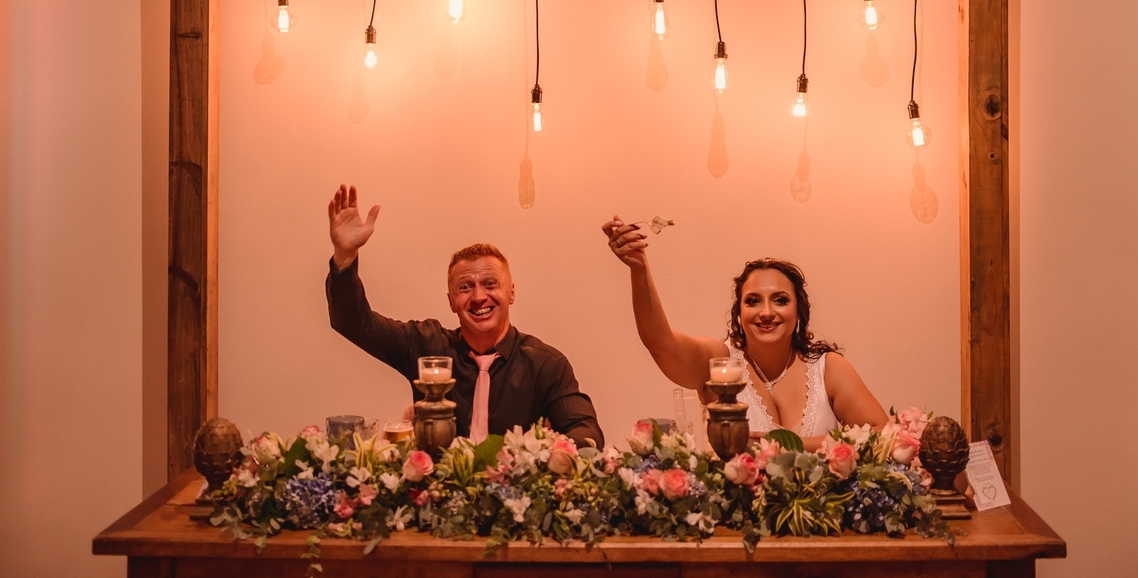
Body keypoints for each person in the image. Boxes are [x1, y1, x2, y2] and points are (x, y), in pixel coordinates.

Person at [325, 184, 604, 447]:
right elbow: (352, 322)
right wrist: (345, 256)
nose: (479, 296)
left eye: (491, 284)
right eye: (465, 287)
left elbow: (586, 432)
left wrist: (548, 450)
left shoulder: (545, 365)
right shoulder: (427, 347)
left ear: (511, 293)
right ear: (451, 301)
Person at [602, 215, 887, 451]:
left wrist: (794, 445)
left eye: (780, 300)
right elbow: (661, 343)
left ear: (799, 311)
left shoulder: (826, 368)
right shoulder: (721, 363)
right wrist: (639, 269)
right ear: (739, 313)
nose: (766, 312)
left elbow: (883, 435)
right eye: (753, 301)